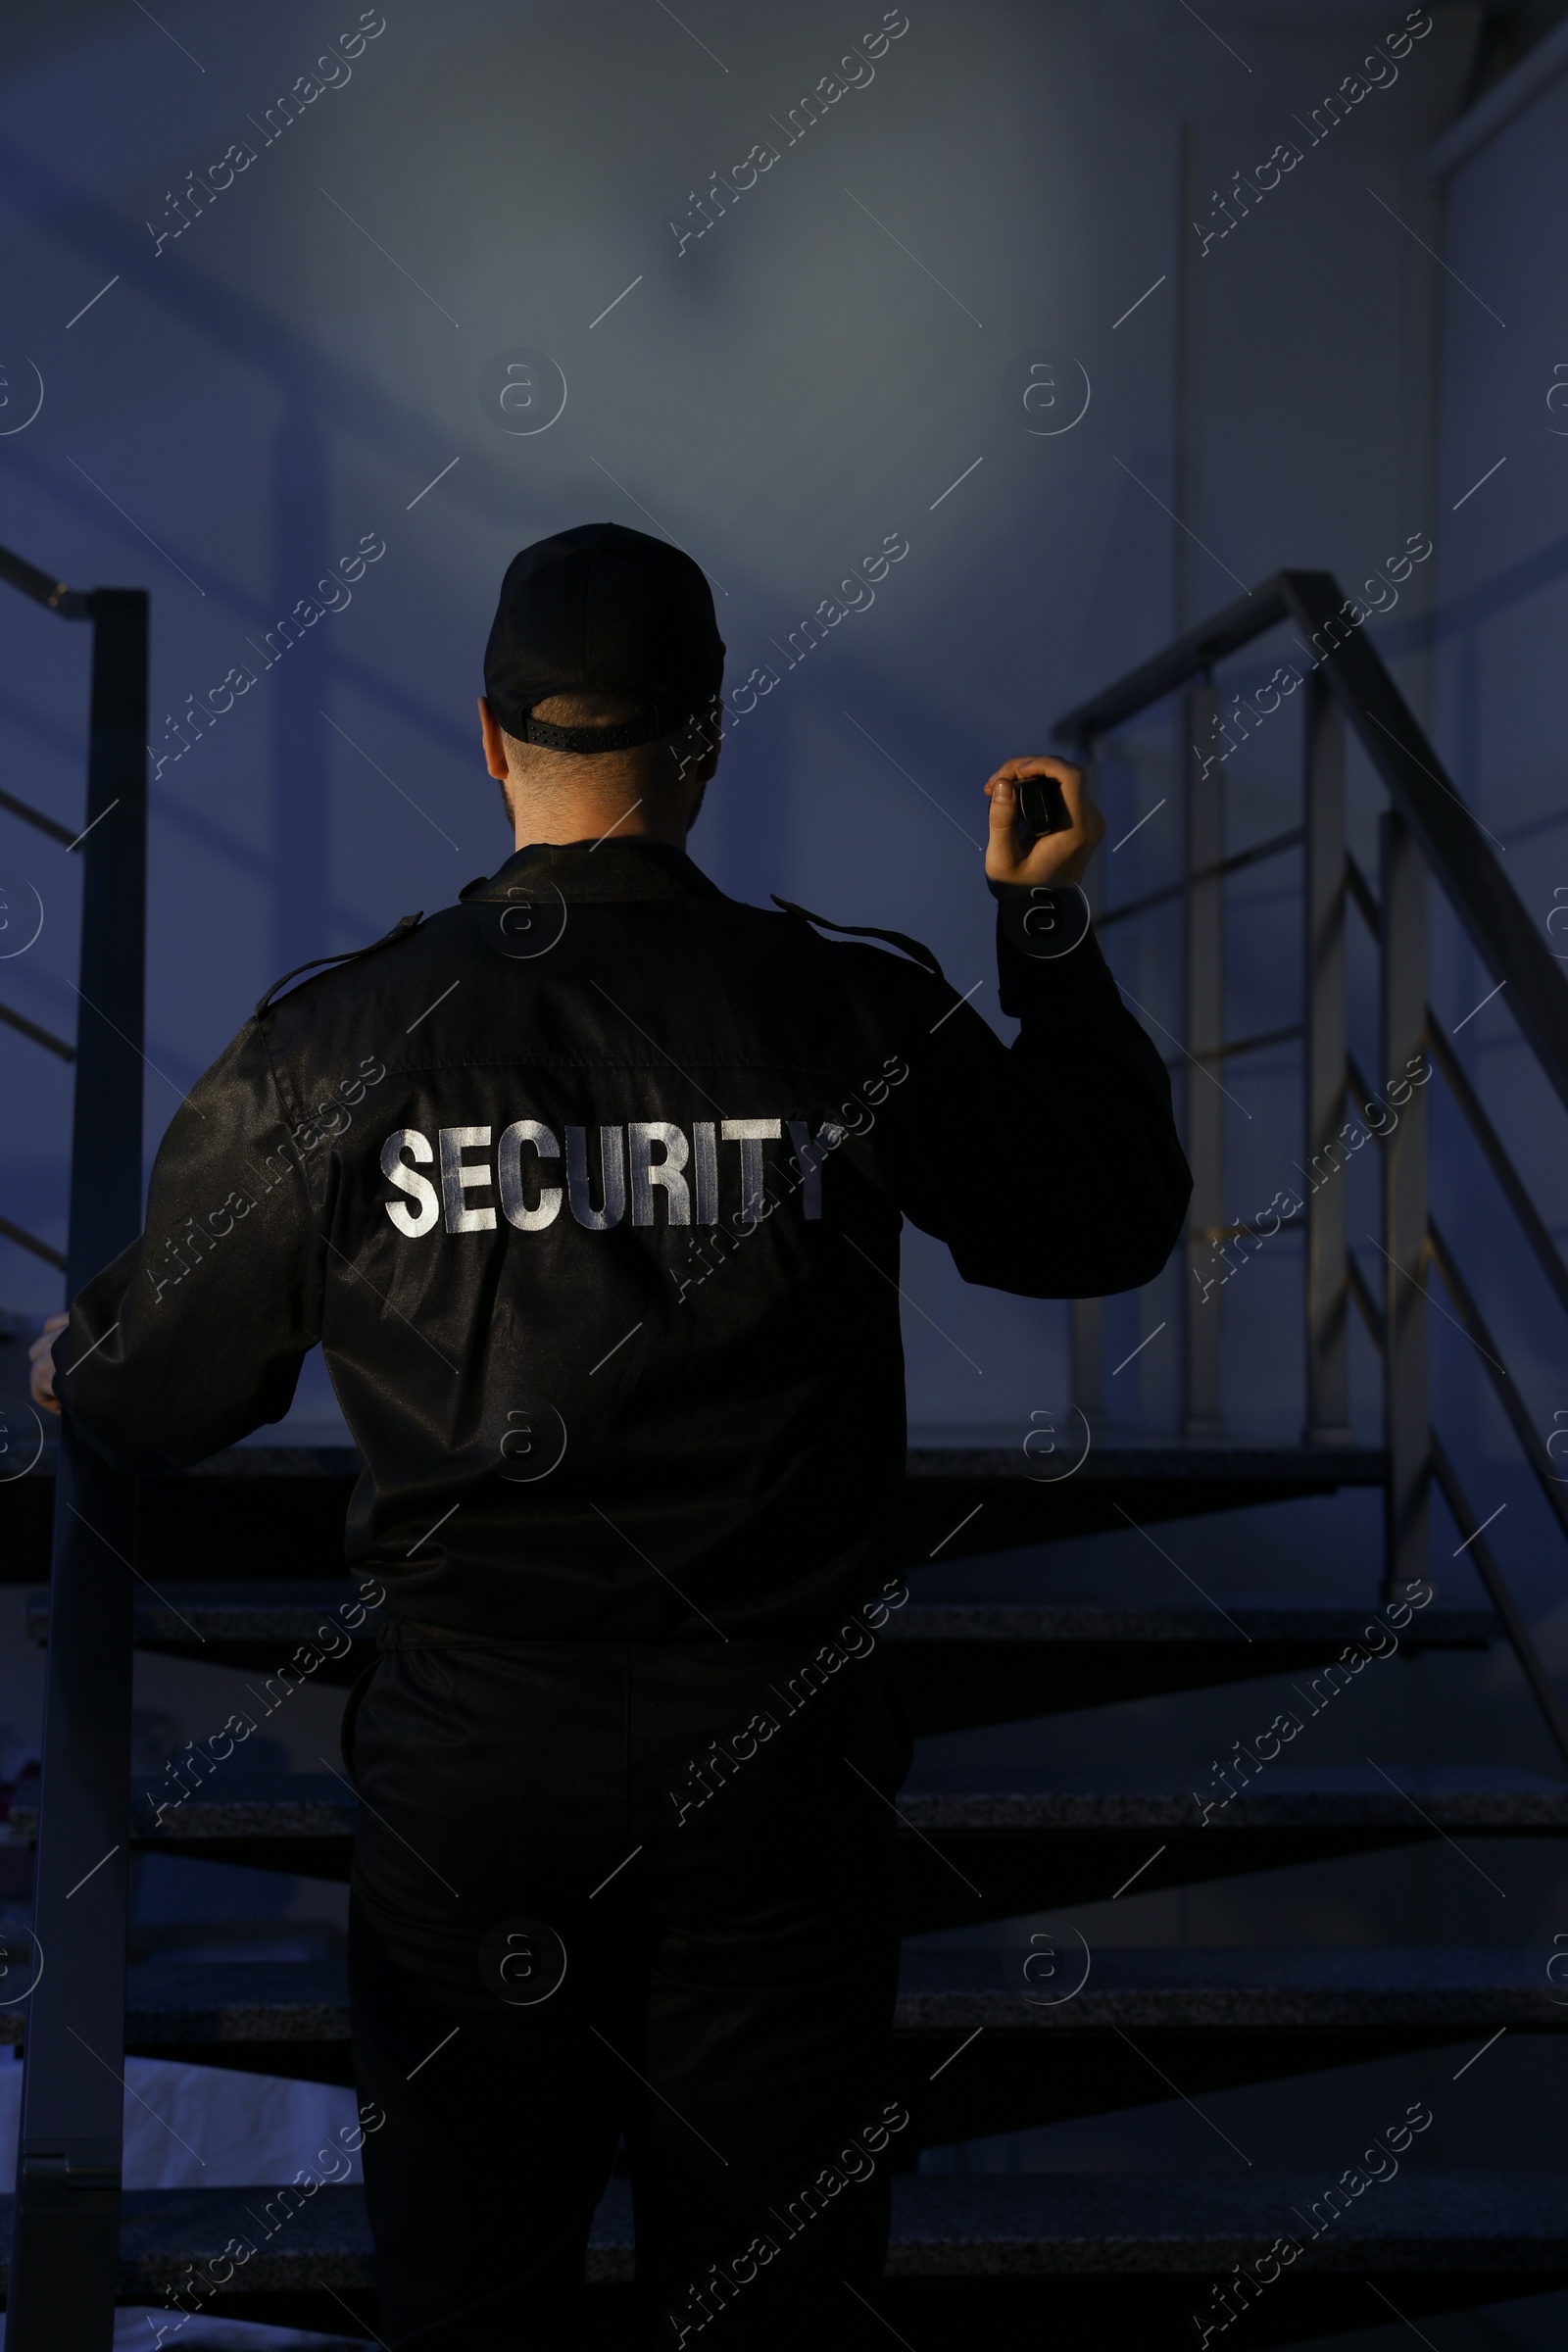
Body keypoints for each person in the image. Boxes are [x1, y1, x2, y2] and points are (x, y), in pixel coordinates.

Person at [33, 520, 1190, 2348]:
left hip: (474, 1779)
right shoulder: (847, 1006)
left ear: (489, 743)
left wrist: (73, 1364)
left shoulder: (338, 1042)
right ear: (706, 739)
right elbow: (1102, 1214)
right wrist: (1043, 934)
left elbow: (163, 1392)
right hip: (778, 1776)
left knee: (473, 2303)